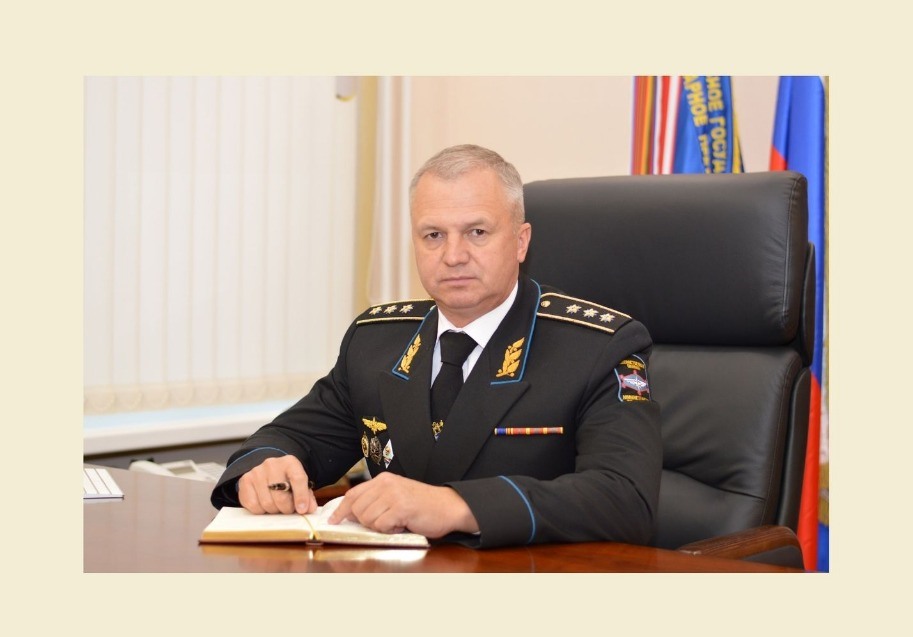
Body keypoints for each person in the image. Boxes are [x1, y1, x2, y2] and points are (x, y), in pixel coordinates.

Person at [211, 144, 662, 548]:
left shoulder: (596, 348)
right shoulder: (376, 339)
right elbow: (290, 438)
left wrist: (457, 506)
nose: (453, 255)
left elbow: (625, 498)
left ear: (521, 242)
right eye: (434, 235)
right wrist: (265, 468)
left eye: (477, 232)